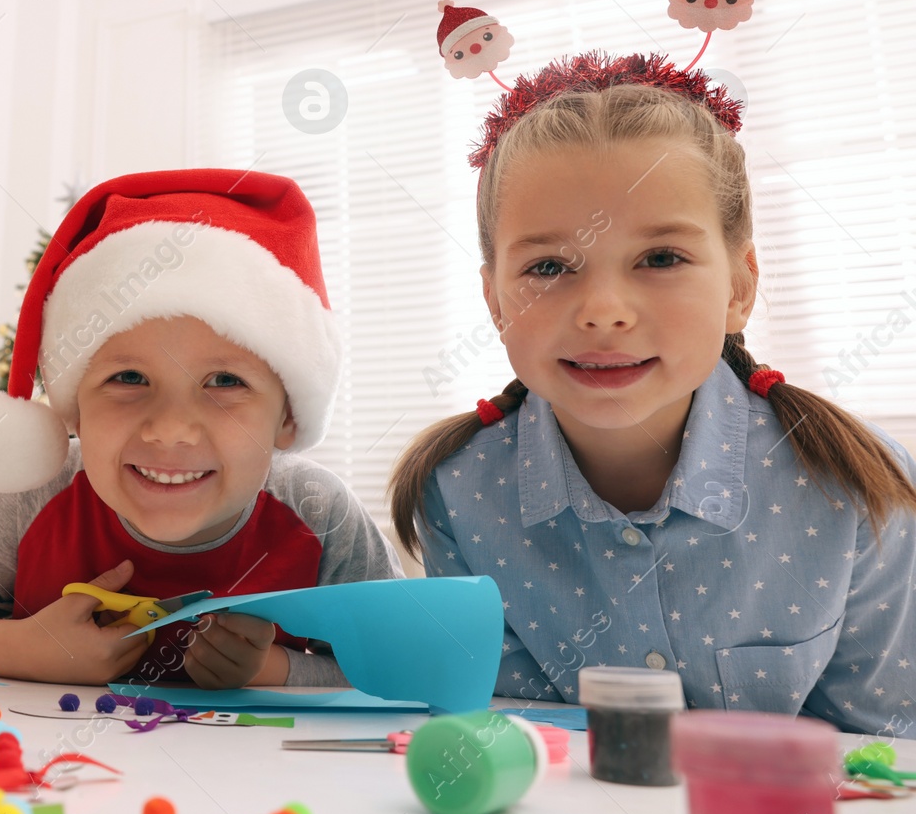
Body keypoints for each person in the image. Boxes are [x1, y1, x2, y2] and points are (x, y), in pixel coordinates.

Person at [390, 53, 916, 735]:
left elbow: (888, 767)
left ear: (739, 283)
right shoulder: (457, 494)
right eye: (549, 266)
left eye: (661, 258)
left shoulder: (859, 488)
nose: (604, 310)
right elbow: (512, 746)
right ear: (494, 300)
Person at [0, 170, 400, 689]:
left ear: (287, 418)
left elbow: (407, 661)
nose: (171, 431)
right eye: (128, 377)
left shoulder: (318, 511)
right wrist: (27, 649)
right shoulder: (25, 498)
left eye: (224, 381)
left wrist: (273, 670)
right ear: (73, 407)